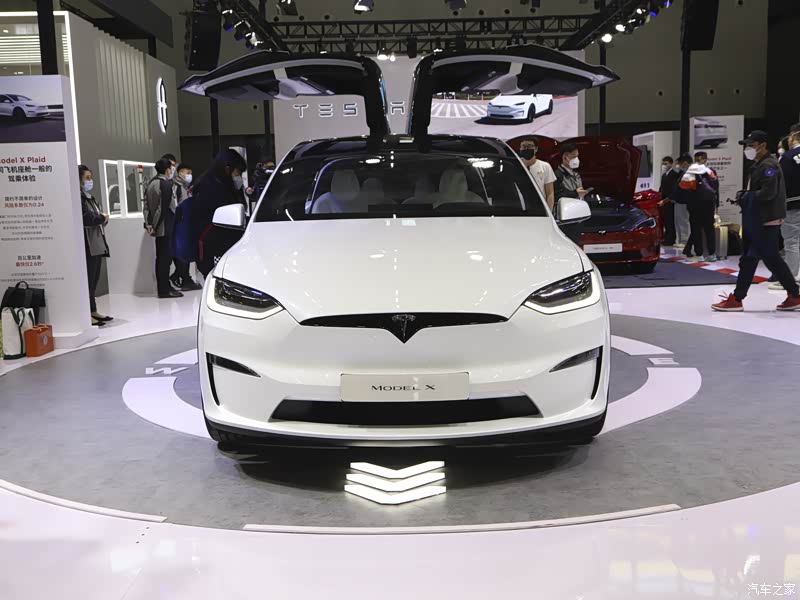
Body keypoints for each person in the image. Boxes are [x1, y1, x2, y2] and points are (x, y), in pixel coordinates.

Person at [712, 131, 800, 312]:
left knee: (751, 259)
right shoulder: (760, 165)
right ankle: (794, 295)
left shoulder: (769, 166)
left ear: (763, 145)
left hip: (764, 220)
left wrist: (746, 197)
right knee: (770, 259)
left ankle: (737, 299)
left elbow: (768, 193)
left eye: (751, 145)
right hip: (759, 219)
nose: (748, 149)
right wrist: (745, 196)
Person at [175, 149, 248, 278]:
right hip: (215, 249)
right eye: (238, 172)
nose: (239, 177)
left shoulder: (225, 185)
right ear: (227, 168)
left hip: (227, 247)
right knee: (217, 280)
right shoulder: (211, 187)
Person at [144, 157, 183, 299]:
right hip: (165, 226)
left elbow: (146, 207)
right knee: (165, 259)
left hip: (157, 226)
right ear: (167, 169)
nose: (173, 170)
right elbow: (163, 208)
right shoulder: (165, 184)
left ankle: (164, 287)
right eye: (171, 167)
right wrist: (155, 225)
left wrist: (149, 224)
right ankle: (164, 289)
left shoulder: (151, 183)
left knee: (160, 258)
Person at [79, 165, 113, 327]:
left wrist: (102, 218)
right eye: (87, 178)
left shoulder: (89, 198)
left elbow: (97, 216)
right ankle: (86, 314)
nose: (90, 181)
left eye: (90, 177)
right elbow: (87, 218)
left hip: (96, 242)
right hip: (87, 244)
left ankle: (93, 310)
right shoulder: (78, 198)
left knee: (94, 280)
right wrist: (101, 217)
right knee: (88, 280)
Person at [772, 124, 800, 290]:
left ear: (794, 136)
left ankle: (790, 279)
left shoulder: (788, 157)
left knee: (792, 242)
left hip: (793, 203)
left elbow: (780, 182)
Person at [169, 163, 202, 291]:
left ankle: (181, 276)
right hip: (180, 224)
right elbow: (177, 206)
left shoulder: (185, 187)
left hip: (186, 224)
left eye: (190, 173)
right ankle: (184, 279)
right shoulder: (176, 187)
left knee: (185, 252)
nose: (189, 175)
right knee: (182, 252)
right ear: (179, 172)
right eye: (187, 172)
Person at [518, 137, 556, 210]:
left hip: (539, 209)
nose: (526, 149)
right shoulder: (515, 165)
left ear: (536, 149)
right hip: (519, 209)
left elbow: (550, 193)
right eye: (524, 146)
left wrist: (549, 212)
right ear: (520, 148)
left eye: (529, 146)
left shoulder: (545, 166)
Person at [669, 154, 694, 252]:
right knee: (678, 221)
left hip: (684, 201)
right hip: (678, 201)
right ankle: (680, 240)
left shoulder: (691, 173)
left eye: (680, 164)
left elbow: (687, 189)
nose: (679, 166)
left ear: (685, 163)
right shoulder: (683, 173)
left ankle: (685, 241)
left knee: (684, 221)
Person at [658, 156, 681, 246]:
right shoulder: (664, 175)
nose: (664, 165)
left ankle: (671, 239)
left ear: (671, 164)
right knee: (666, 221)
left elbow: (674, 189)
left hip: (670, 201)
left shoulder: (675, 175)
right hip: (663, 200)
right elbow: (661, 188)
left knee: (670, 221)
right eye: (663, 164)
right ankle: (667, 237)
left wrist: (667, 199)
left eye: (665, 164)